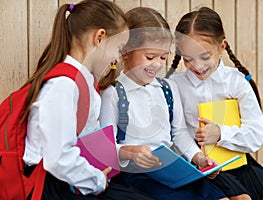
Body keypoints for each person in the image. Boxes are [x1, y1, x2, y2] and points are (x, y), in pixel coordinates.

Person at [99, 7, 228, 200]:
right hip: (137, 177)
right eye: (150, 57)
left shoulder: (168, 88)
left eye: (163, 57)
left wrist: (198, 157)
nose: (157, 65)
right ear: (125, 52)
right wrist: (131, 152)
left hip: (172, 172)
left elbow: (179, 133)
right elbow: (105, 147)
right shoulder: (114, 93)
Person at [168, 7, 263, 200]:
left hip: (239, 161)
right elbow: (178, 132)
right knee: (242, 199)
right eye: (188, 59)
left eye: (205, 57)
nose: (197, 66)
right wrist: (197, 157)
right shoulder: (176, 84)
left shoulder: (236, 81)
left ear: (222, 46)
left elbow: (255, 135)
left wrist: (220, 133)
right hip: (202, 164)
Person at [22, 0, 130, 199]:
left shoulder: (85, 82)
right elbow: (58, 158)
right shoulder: (63, 85)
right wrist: (97, 181)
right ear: (100, 37)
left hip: (73, 178)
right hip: (50, 185)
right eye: (119, 47)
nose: (118, 58)